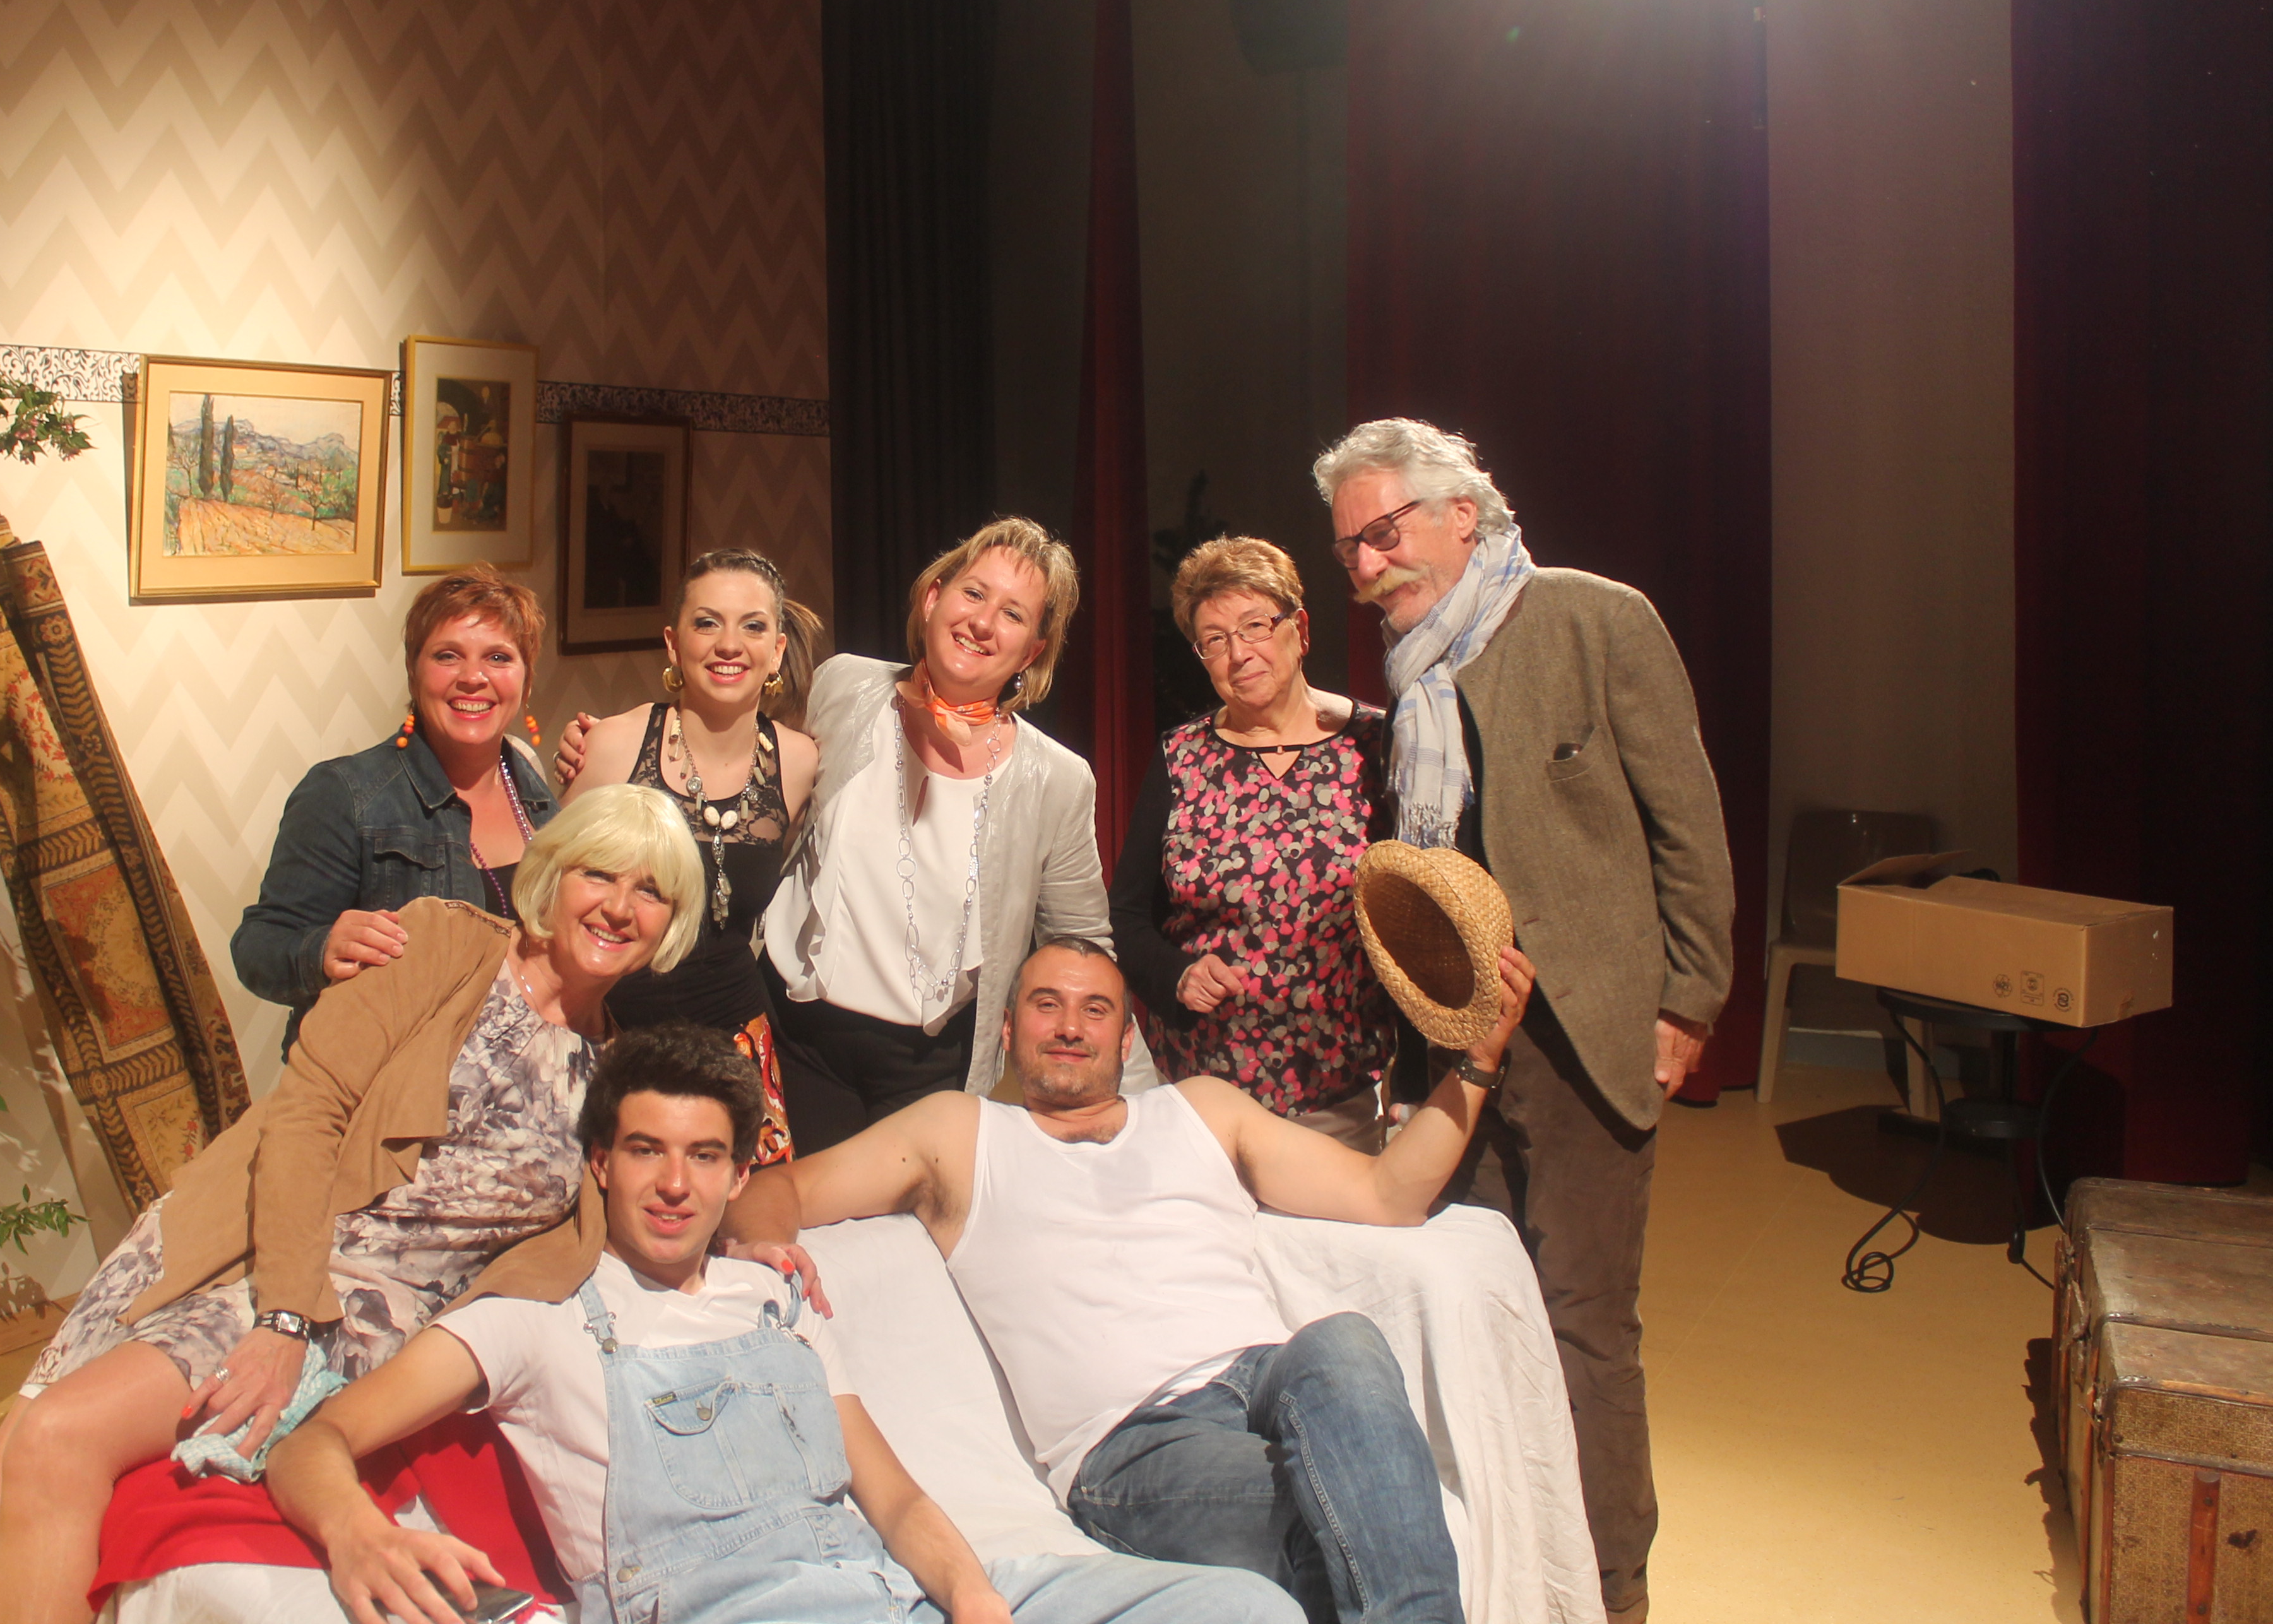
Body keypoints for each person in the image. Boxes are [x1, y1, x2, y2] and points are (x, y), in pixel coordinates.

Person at [0, 785, 706, 1624]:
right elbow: (307, 1111)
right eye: (600, 874)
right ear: (554, 874)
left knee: (60, 1438)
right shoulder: (444, 941)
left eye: (651, 891)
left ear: (672, 924)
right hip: (238, 1244)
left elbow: (664, 1196)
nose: (620, 907)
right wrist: (284, 1313)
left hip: (362, 1310)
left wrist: (751, 1240)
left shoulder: (615, 1078)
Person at [268, 1024, 1303, 1624]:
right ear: (601, 1164)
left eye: (705, 1156)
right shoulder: (532, 1317)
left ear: (735, 1176)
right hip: (742, 1611)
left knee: (1248, 1610)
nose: (675, 1185)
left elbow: (894, 1497)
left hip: (893, 1591)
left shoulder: (774, 1297)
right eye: (645, 1151)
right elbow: (312, 1443)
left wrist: (976, 1601)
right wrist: (357, 1529)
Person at [720, 937, 1539, 1624]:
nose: (1069, 1027)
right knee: (1348, 1512)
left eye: (1095, 1009)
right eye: (1046, 1004)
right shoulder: (960, 1134)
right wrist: (763, 1244)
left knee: (1347, 1341)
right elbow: (781, 1186)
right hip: (1138, 1443)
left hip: (1267, 1377)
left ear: (1126, 1039)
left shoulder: (1203, 1110)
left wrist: (1479, 1061)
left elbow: (1387, 1195)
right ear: (1008, 1027)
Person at [1314, 418, 1733, 1624]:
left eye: (1384, 531)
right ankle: (1502, 1560)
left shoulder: (1595, 619)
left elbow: (1686, 824)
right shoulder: (1411, 670)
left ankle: (1607, 1587)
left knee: (1583, 1321)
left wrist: (1687, 998)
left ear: (1463, 511)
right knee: (1477, 1302)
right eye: (1348, 548)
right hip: (1457, 1040)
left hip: (1585, 1032)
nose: (1367, 564)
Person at [559, 518, 1117, 1154]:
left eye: (1013, 614)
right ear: (934, 598)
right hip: (793, 1039)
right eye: (973, 593)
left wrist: (1127, 1111)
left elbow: (1085, 950)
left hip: (929, 1070)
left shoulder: (1058, 780)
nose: (983, 622)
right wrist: (603, 747)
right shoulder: (846, 686)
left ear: (1033, 651)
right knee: (780, 1209)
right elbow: (734, 747)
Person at [1110, 536, 1395, 1150]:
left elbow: (1417, 922)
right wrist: (1177, 975)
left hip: (1337, 1094)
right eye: (1214, 640)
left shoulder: (1373, 744)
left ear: (1301, 629)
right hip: (1199, 1095)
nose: (1239, 654)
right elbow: (1127, 917)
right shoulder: (1181, 757)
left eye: (1255, 626)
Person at [234, 566, 560, 1048]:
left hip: (519, 1075)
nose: (473, 678)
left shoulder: (533, 791)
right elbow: (258, 949)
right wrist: (322, 950)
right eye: (447, 656)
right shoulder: (346, 794)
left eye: (498, 657)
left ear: (526, 680)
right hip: (387, 1077)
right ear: (413, 671)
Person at [569, 548, 822, 1163]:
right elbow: (549, 900)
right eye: (707, 623)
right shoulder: (614, 745)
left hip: (738, 1044)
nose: (729, 644)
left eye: (752, 626)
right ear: (673, 643)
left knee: (749, 1213)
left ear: (777, 651)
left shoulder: (800, 761)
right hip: (615, 1043)